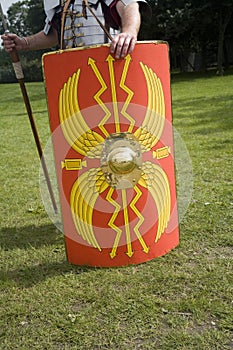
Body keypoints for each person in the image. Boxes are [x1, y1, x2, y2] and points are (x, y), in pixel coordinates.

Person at [1, 0, 150, 59]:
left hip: (109, 65)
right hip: (74, 74)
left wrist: (129, 31)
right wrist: (25, 43)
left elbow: (128, 4)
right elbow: (56, 33)